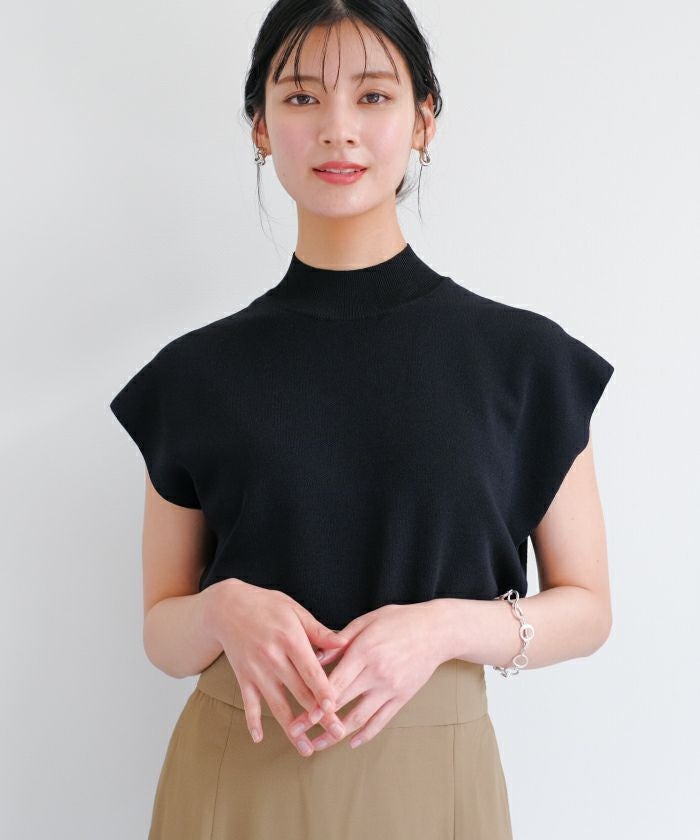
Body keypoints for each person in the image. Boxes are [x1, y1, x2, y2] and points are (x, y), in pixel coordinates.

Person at [109, 2, 615, 838]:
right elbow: (163, 629)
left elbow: (588, 606)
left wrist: (444, 626)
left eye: (373, 96)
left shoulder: (525, 362)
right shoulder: (196, 373)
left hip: (437, 784)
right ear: (261, 127)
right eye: (302, 97)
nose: (337, 128)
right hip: (235, 784)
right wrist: (221, 608)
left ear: (423, 120)